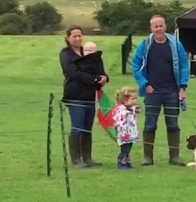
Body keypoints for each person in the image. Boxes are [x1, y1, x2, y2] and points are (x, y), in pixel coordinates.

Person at [131, 15, 190, 165]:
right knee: (150, 124)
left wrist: (182, 87)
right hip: (152, 92)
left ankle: (174, 157)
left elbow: (184, 66)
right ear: (151, 28)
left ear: (165, 26)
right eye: (155, 26)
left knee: (173, 124)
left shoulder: (176, 45)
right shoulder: (144, 45)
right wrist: (145, 84)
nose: (158, 29)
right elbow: (136, 66)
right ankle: (147, 157)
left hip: (172, 91)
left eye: (161, 26)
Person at [58, 26, 106, 168]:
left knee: (87, 126)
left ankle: (87, 157)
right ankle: (76, 159)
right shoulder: (65, 54)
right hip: (75, 95)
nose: (78, 38)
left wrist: (103, 77)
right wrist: (95, 79)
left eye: (80, 36)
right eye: (74, 36)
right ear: (68, 38)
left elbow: (98, 67)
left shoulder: (87, 51)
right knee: (77, 126)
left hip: (89, 95)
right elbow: (73, 73)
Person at [112, 86, 140, 169]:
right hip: (124, 133)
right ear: (124, 100)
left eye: (135, 98)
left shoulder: (129, 108)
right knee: (125, 149)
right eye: (133, 99)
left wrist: (135, 110)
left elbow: (133, 110)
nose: (135, 101)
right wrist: (130, 111)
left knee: (129, 148)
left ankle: (127, 161)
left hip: (130, 133)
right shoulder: (120, 110)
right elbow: (119, 120)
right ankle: (121, 162)